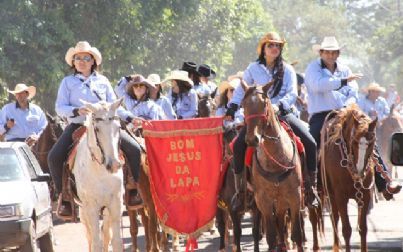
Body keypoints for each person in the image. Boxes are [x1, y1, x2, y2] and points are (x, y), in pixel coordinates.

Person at [48, 41, 143, 219]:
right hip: (78, 125)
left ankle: (133, 188)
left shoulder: (102, 81)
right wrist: (76, 110)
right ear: (73, 63)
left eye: (86, 58)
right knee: (53, 157)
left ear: (93, 62)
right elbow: (59, 107)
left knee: (135, 149)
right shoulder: (67, 82)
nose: (81, 61)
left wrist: (130, 118)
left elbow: (115, 105)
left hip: (105, 125)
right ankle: (65, 197)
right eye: (77, 58)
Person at [227, 32, 319, 211]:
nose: (275, 48)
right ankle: (240, 193)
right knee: (238, 146)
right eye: (271, 45)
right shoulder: (253, 68)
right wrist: (232, 106)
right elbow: (241, 90)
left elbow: (292, 93)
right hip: (259, 116)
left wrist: (279, 106)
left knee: (310, 142)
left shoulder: (288, 69)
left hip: (283, 113)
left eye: (278, 46)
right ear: (263, 48)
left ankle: (310, 188)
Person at [305, 36, 401, 200]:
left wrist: (348, 106)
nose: (330, 55)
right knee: (311, 141)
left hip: (345, 111)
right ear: (321, 53)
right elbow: (318, 85)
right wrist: (342, 81)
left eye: (334, 52)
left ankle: (384, 183)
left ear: (338, 53)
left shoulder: (345, 69)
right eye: (327, 52)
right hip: (321, 114)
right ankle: (310, 185)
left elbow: (353, 91)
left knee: (367, 135)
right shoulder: (313, 68)